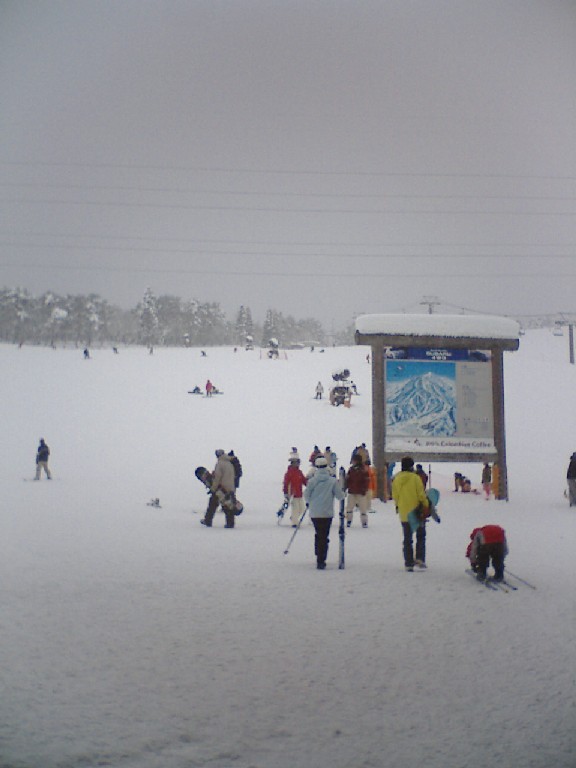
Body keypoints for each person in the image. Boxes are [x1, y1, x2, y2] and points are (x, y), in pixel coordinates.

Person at [304, 456, 345, 569]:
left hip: (315, 513)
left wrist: (310, 502)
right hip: (327, 513)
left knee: (318, 534)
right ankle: (321, 559)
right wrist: (344, 493)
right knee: (324, 536)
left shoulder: (312, 481)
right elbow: (339, 496)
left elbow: (306, 495)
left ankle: (318, 553)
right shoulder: (332, 481)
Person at [392, 456, 429, 571]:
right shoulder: (415, 478)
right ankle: (419, 558)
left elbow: (395, 495)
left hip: (404, 512)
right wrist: (426, 505)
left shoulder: (396, 479)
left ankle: (408, 563)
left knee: (407, 538)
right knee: (420, 535)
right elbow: (421, 495)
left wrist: (398, 506)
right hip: (417, 512)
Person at [201, 450, 237, 528]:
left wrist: (213, 488)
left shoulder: (220, 464)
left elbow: (217, 478)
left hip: (221, 488)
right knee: (227, 505)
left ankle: (207, 521)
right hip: (230, 487)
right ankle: (230, 523)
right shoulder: (230, 463)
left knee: (212, 504)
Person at [345, 453, 370, 527]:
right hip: (352, 491)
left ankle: (364, 522)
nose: (352, 462)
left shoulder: (363, 470)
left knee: (363, 508)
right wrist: (346, 487)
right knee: (349, 508)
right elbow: (348, 480)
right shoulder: (351, 469)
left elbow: (366, 481)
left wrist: (364, 489)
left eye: (354, 460)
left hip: (360, 492)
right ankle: (349, 521)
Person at [283, 458, 308, 527]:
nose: (298, 464)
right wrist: (286, 493)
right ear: (293, 463)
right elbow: (286, 484)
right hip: (292, 494)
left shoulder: (299, 472)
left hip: (299, 494)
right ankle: (294, 523)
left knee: (302, 509)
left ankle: (293, 518)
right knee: (295, 509)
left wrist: (309, 485)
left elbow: (304, 481)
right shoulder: (289, 473)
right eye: (297, 463)